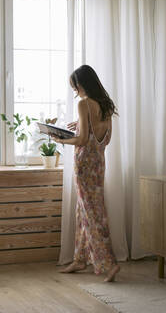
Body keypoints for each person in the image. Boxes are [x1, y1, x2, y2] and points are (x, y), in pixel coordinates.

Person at [52, 65, 120, 282]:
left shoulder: (84, 104)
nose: (75, 91)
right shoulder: (106, 106)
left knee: (90, 214)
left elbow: (81, 140)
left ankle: (108, 264)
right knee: (87, 211)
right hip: (99, 163)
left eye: (75, 86)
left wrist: (61, 139)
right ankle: (80, 259)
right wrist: (80, 127)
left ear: (80, 84)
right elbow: (98, 136)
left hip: (84, 165)